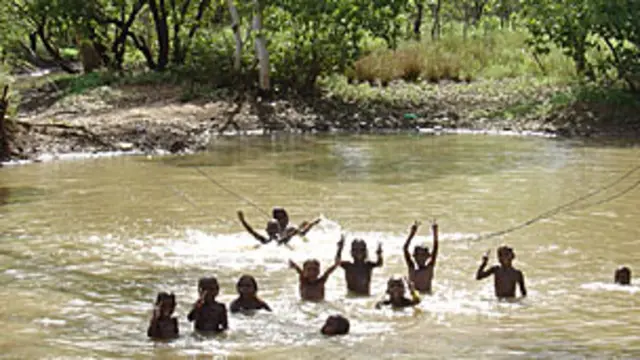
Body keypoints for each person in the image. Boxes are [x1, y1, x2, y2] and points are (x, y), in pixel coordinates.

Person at [237, 210, 318, 246]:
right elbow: (251, 231)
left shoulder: (278, 239)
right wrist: (243, 221)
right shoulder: (266, 241)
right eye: (269, 229)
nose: (270, 231)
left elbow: (301, 233)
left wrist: (311, 225)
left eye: (272, 229)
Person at [403, 220, 439, 294]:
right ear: (414, 256)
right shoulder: (412, 267)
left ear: (428, 256)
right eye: (418, 255)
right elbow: (405, 249)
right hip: (414, 297)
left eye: (423, 255)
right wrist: (412, 233)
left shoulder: (429, 267)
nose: (420, 258)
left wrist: (435, 232)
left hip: (427, 297)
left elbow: (435, 248)